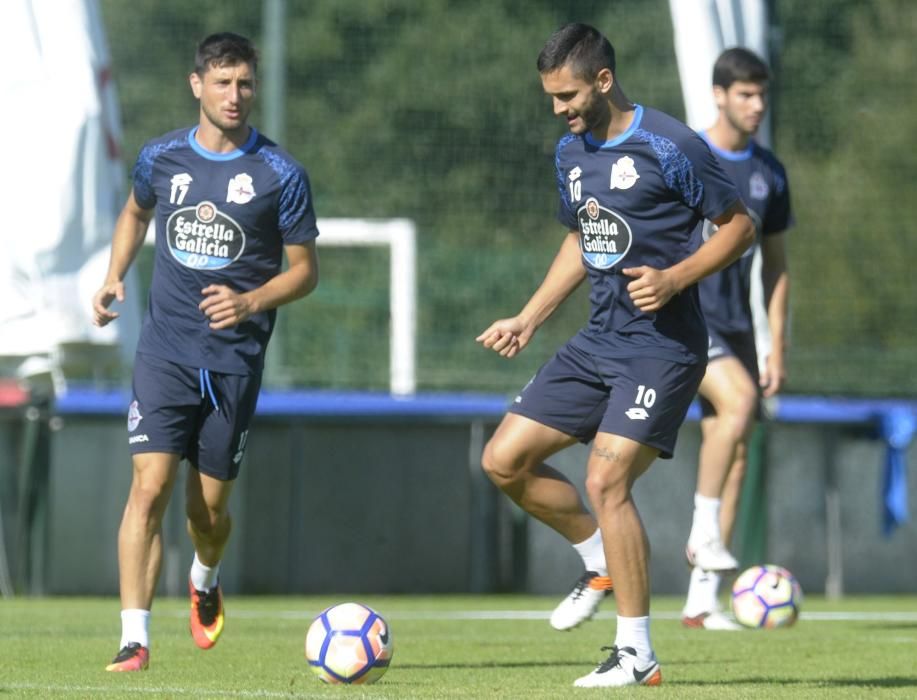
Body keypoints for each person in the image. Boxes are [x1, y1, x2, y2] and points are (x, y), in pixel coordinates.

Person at [476, 23, 754, 688]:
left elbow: (738, 226)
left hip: (660, 349)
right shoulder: (568, 154)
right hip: (597, 339)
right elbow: (581, 238)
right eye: (550, 97)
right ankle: (598, 556)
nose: (558, 109)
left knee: (605, 482)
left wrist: (675, 277)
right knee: (503, 461)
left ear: (602, 80)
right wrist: (529, 316)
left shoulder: (668, 143)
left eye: (567, 95)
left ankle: (637, 653)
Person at [92, 32, 320, 672]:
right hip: (163, 350)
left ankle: (205, 574)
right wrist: (115, 274)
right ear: (197, 85)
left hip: (233, 363)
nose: (235, 95)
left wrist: (249, 303)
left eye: (245, 83)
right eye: (222, 82)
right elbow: (136, 213)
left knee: (207, 512)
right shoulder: (161, 156)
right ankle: (135, 639)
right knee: (149, 486)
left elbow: (305, 271)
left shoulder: (281, 175)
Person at [680, 47, 792, 630]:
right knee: (739, 404)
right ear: (719, 94)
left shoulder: (769, 172)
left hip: (738, 329)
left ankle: (702, 598)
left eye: (762, 94)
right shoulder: (687, 156)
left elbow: (775, 265)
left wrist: (776, 342)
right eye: (745, 94)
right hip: (682, 319)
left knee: (738, 444)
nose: (756, 105)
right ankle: (701, 534)